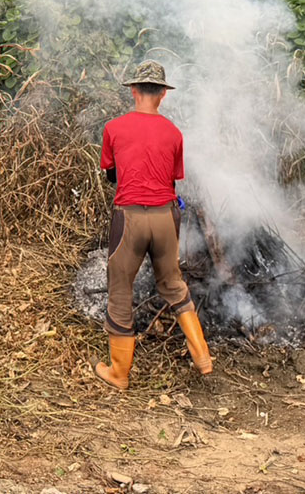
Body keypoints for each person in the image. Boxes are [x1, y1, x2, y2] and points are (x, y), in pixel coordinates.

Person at [94, 59, 212, 390]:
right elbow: (172, 180)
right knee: (173, 286)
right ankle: (202, 354)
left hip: (130, 217)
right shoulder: (174, 133)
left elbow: (111, 175)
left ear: (133, 91)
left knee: (120, 290)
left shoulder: (114, 128)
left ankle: (119, 373)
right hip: (165, 216)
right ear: (162, 94)